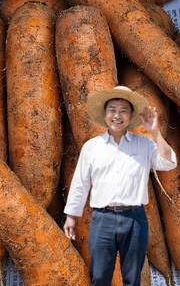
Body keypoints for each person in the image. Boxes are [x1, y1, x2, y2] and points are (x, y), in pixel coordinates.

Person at [63, 86, 177, 286]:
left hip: (135, 219)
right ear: (105, 114)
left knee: (132, 279)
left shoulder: (144, 144)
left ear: (131, 115)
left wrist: (155, 132)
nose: (117, 115)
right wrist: (71, 216)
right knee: (99, 277)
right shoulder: (92, 147)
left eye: (123, 110)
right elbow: (81, 183)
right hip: (102, 219)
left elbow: (169, 163)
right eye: (112, 110)